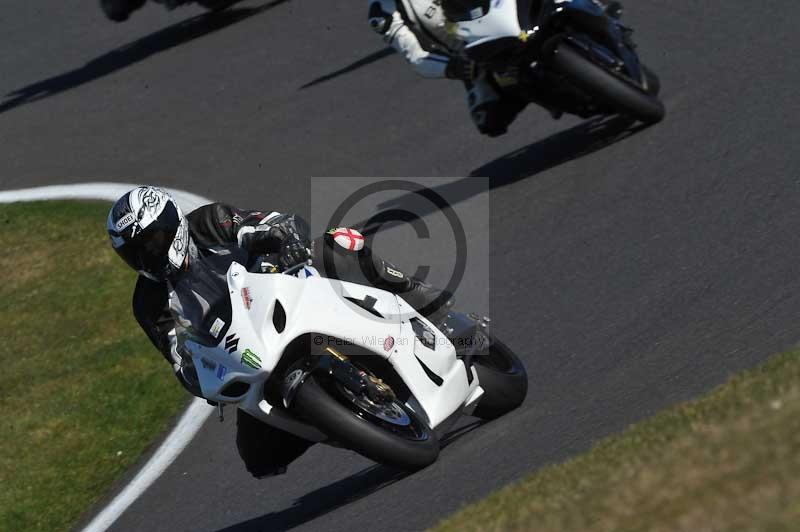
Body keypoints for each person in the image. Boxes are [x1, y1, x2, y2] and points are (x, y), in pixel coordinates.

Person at [107, 186, 451, 477]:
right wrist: (202, 375)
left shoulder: (211, 222)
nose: (147, 256)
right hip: (250, 354)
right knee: (258, 459)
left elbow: (269, 224)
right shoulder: (148, 304)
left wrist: (283, 241)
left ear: (172, 223)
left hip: (289, 294)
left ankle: (415, 292)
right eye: (135, 253)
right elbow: (180, 358)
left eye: (153, 242)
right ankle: (343, 418)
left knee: (335, 246)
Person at [367, 0, 527, 137]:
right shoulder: (382, 13)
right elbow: (417, 57)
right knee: (489, 119)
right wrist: (454, 67)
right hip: (475, 56)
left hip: (508, 13)